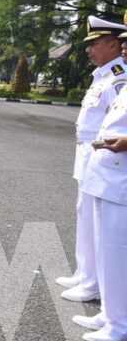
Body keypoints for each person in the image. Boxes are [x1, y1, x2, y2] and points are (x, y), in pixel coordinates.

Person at [55, 16, 126, 303]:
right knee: (85, 214)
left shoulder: (119, 77)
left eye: (95, 44)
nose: (89, 50)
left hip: (104, 154)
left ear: (112, 44)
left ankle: (93, 282)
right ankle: (85, 273)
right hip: (87, 153)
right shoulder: (104, 76)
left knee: (97, 221)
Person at [75, 40, 127, 341]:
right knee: (106, 250)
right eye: (122, 43)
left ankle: (119, 323)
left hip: (120, 178)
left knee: (117, 253)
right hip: (106, 175)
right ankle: (110, 313)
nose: (124, 48)